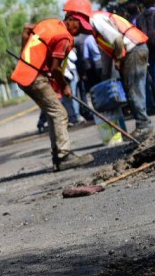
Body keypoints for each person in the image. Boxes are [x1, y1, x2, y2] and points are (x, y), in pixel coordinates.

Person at [11, 15, 94, 171]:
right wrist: (64, 86)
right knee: (60, 113)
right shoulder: (64, 37)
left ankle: (57, 156)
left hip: (24, 74)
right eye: (79, 26)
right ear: (70, 19)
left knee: (52, 113)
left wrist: (25, 58)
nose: (80, 30)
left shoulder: (49, 23)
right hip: (35, 77)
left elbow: (27, 28)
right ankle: (64, 156)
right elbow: (56, 69)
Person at [63, 0, 153, 136]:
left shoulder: (96, 19)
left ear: (77, 18)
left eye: (69, 19)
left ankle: (144, 126)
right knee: (132, 89)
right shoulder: (94, 25)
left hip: (133, 50)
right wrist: (107, 72)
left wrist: (118, 59)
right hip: (133, 50)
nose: (67, 24)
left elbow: (117, 39)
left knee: (134, 89)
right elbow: (107, 51)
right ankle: (142, 124)